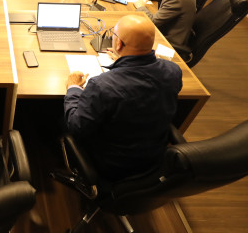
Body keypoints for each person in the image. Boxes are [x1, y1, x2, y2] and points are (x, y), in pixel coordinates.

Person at [64, 14, 182, 181]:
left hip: (111, 163)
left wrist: (73, 87)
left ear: (118, 43)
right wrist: (124, 60)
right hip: (153, 158)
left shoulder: (102, 85)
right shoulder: (173, 71)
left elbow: (77, 127)